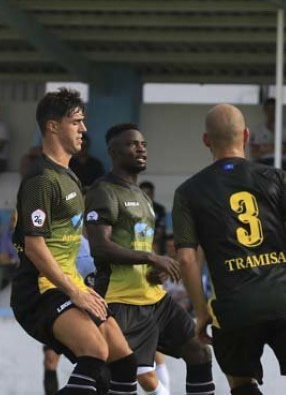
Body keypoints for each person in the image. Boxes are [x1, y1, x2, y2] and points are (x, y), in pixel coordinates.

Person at [173, 104, 286, 395]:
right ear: (246, 135)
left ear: (206, 140)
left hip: (233, 306)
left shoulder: (188, 192)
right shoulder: (277, 178)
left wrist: (201, 311)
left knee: (241, 383)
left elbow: (186, 258)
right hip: (285, 298)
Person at [11, 89, 139, 395]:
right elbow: (35, 246)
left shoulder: (69, 175)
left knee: (123, 364)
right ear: (53, 126)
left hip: (69, 285)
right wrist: (75, 293)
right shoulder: (41, 179)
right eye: (76, 122)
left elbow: (70, 240)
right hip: (40, 290)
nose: (84, 129)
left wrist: (86, 284)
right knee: (96, 351)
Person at [84, 123, 215, 395]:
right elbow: (99, 246)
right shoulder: (103, 191)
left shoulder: (143, 197)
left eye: (143, 143)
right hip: (121, 302)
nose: (141, 148)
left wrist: (154, 270)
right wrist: (150, 257)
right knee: (115, 379)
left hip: (155, 299)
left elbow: (138, 247)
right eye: (132, 144)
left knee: (199, 352)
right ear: (113, 151)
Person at [250, 97, 286, 171]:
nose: (271, 113)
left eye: (273, 110)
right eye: (269, 110)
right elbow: (254, 153)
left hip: (281, 162)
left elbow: (283, 149)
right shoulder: (257, 129)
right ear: (265, 111)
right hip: (261, 162)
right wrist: (274, 147)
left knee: (274, 172)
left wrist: (262, 147)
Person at [139, 181, 168, 255]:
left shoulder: (159, 209)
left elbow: (160, 231)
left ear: (152, 194)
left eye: (148, 194)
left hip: (155, 242)